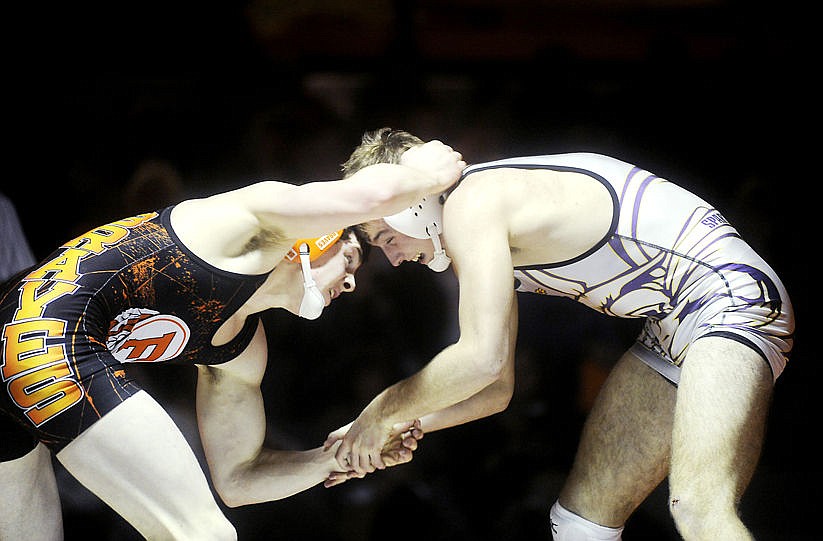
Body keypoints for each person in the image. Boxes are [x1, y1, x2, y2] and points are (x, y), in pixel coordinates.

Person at [327, 128, 794, 541]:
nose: (392, 258)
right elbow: (496, 390)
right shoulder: (478, 220)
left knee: (698, 509)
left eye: (386, 238)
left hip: (730, 296)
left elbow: (479, 360)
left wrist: (380, 411)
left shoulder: (474, 202)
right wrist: (396, 426)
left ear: (412, 209)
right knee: (579, 524)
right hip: (674, 323)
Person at [0, 138, 465, 541]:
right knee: (202, 534)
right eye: (351, 258)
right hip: (44, 336)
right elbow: (371, 195)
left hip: (21, 346)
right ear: (316, 239)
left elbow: (239, 480)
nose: (351, 284)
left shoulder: (240, 347)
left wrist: (338, 458)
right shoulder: (248, 220)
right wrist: (429, 173)